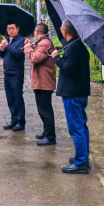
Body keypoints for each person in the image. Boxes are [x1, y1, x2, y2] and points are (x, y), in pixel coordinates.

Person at [51, 19, 91, 174]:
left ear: (64, 31)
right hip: (80, 92)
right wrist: (62, 54)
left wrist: (56, 57)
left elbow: (69, 68)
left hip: (73, 94)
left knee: (76, 128)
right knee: (82, 126)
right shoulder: (78, 45)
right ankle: (83, 157)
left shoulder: (73, 47)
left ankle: (80, 163)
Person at [23, 23, 57, 146]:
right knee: (44, 110)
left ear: (36, 32)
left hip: (44, 83)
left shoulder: (45, 43)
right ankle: (46, 132)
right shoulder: (43, 43)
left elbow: (35, 58)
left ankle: (50, 137)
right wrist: (31, 45)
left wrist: (27, 48)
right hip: (42, 82)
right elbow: (37, 52)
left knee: (45, 111)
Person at [0, 23, 26, 131]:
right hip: (7, 73)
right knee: (10, 98)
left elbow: (18, 54)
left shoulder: (22, 40)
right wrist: (2, 48)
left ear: (17, 29)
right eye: (9, 29)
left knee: (17, 98)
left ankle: (20, 122)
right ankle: (13, 120)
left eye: (13, 28)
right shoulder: (8, 41)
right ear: (6, 30)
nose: (11, 31)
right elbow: (2, 55)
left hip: (16, 74)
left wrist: (7, 45)